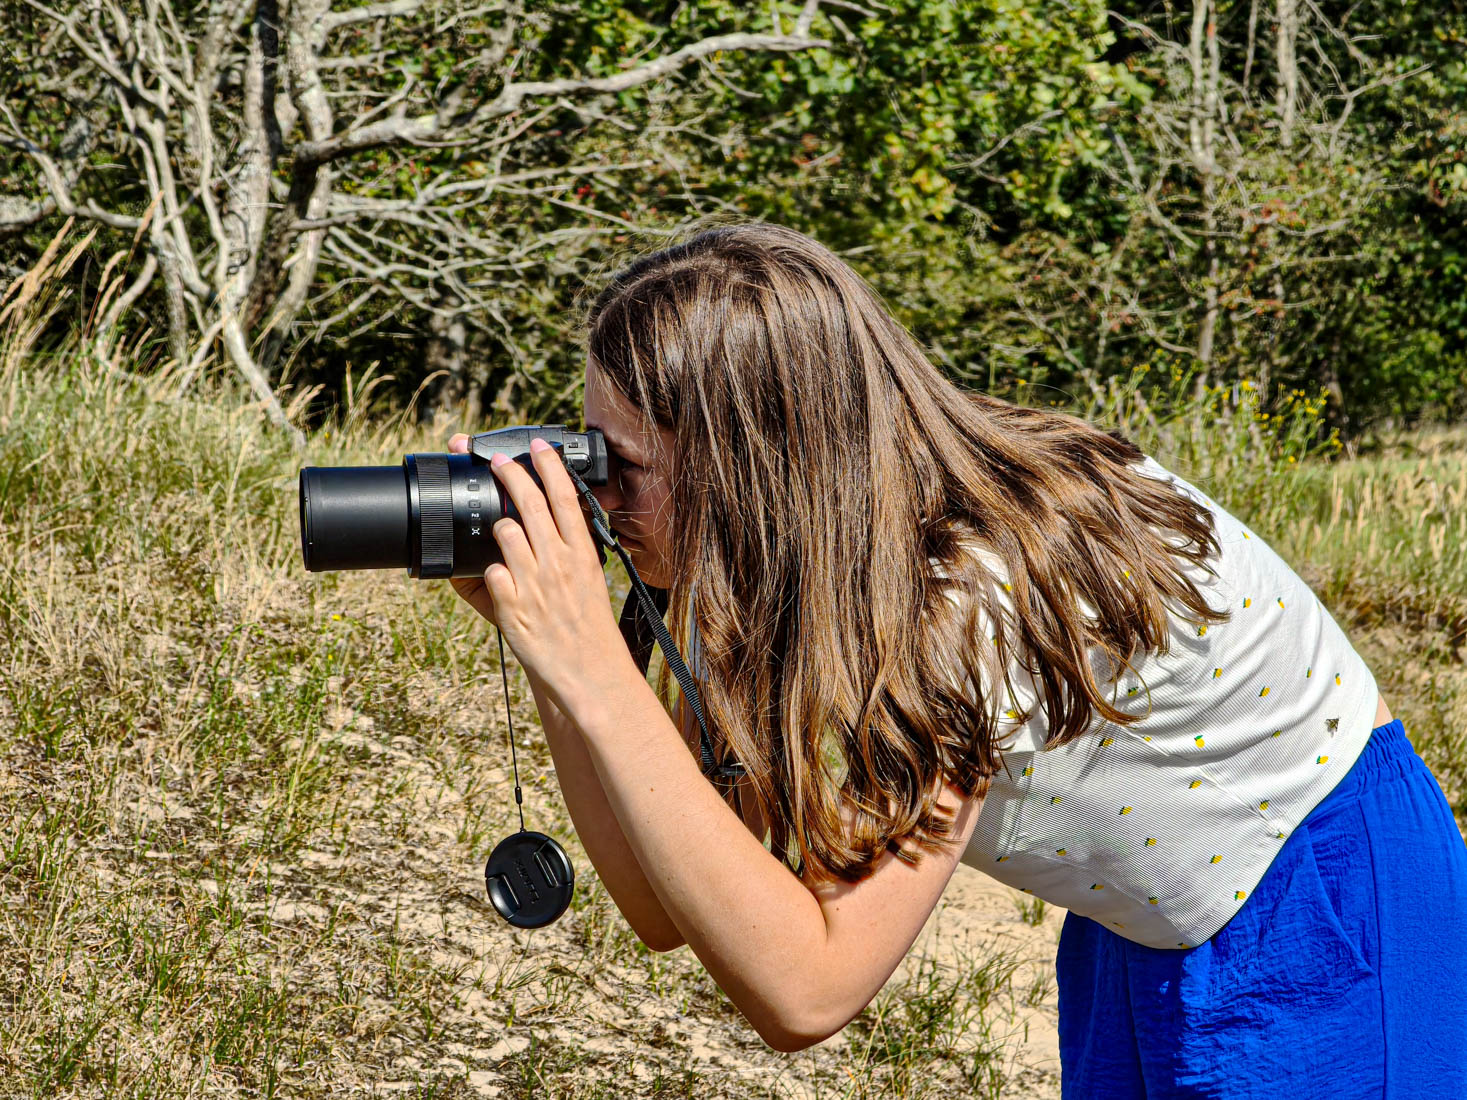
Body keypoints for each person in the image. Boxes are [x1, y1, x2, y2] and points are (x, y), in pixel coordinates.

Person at [445, 220, 1467, 1097]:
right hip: (1145, 911)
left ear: (752, 468)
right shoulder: (800, 556)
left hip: (1321, 900)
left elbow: (807, 988)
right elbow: (665, 902)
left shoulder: (966, 595)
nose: (594, 499)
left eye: (620, 467)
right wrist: (551, 654)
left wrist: (594, 663)